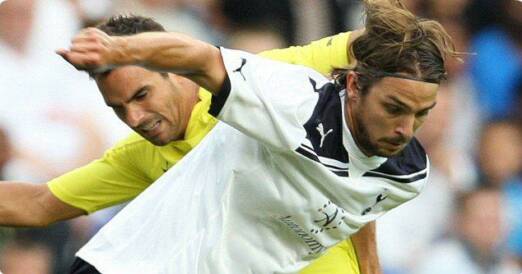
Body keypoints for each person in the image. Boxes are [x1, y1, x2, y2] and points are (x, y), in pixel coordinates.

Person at [58, 0, 457, 273]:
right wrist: (121, 50)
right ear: (353, 85)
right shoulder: (287, 97)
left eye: (421, 114)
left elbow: (361, 189)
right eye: (395, 108)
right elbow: (199, 57)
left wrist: (370, 264)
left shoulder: (409, 174)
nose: (406, 128)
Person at [0, 12, 379, 274]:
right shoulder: (140, 157)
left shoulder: (259, 80)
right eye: (118, 108)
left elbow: (373, 43)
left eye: (142, 95)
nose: (134, 119)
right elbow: (36, 204)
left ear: (177, 70)